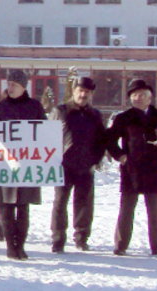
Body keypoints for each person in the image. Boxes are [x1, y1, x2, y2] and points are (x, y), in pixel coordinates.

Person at [107, 79, 157, 257]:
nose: (138, 98)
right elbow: (109, 140)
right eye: (134, 95)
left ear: (150, 98)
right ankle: (121, 244)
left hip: (154, 169)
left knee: (154, 209)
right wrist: (120, 156)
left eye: (142, 95)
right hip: (131, 168)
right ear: (130, 98)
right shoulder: (124, 118)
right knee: (126, 208)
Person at [0, 70, 46, 260]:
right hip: (4, 164)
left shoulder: (35, 106)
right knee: (5, 207)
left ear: (23, 87)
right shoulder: (0, 107)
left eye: (14, 85)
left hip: (26, 164)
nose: (9, 88)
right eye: (8, 84)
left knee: (23, 206)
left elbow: (44, 132)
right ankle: (11, 246)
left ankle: (21, 245)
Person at [49, 77, 107, 253]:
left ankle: (81, 238)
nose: (83, 94)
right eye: (80, 91)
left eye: (87, 92)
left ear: (91, 94)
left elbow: (101, 139)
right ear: (73, 91)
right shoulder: (61, 111)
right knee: (60, 203)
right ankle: (58, 239)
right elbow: (48, 136)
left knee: (84, 205)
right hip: (63, 165)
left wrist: (96, 159)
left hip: (85, 166)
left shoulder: (95, 115)